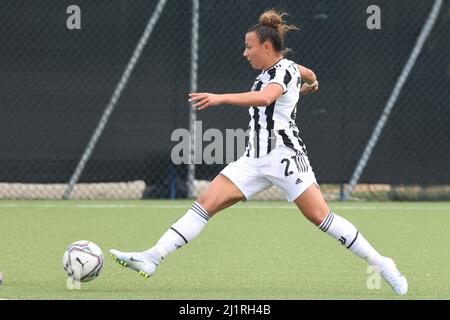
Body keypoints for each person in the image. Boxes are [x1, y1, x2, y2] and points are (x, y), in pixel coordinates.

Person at [110, 10, 407, 295]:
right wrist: (312, 84)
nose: (245, 52)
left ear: (266, 47)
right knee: (204, 204)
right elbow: (309, 72)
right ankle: (152, 257)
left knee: (321, 218)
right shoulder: (282, 69)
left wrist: (220, 97)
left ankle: (382, 264)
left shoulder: (283, 70)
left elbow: (266, 98)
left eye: (248, 47)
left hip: (285, 156)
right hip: (254, 158)